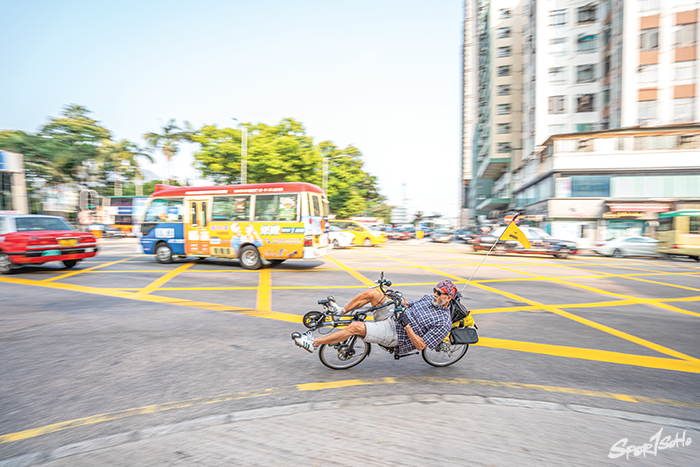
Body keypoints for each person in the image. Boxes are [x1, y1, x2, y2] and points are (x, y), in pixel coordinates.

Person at [292, 280, 456, 356]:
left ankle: (313, 343)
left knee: (355, 327)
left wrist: (407, 326)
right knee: (374, 293)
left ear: (448, 298)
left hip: (397, 334)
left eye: (440, 293)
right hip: (394, 315)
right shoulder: (428, 298)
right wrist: (392, 297)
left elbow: (420, 345)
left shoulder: (443, 322)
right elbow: (408, 305)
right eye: (435, 290)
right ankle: (341, 311)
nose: (435, 294)